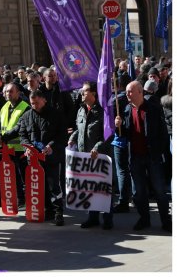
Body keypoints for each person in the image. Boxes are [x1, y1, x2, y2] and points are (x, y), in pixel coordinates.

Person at [115, 80, 171, 232]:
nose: (127, 94)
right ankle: (144, 219)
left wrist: (159, 152)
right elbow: (125, 134)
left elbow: (163, 134)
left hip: (152, 157)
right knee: (139, 192)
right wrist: (118, 127)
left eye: (130, 91)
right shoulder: (126, 110)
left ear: (140, 92)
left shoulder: (153, 109)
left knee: (159, 190)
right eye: (127, 91)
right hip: (135, 157)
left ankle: (166, 221)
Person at [68, 82, 114, 230]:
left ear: (94, 93)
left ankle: (107, 218)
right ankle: (92, 217)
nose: (82, 93)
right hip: (85, 156)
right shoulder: (80, 110)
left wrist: (97, 148)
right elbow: (79, 129)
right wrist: (73, 138)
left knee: (103, 188)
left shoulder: (103, 111)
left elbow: (107, 135)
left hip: (100, 156)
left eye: (85, 91)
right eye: (81, 90)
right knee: (90, 188)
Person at [16, 88, 65, 226]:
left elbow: (61, 135)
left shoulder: (56, 115)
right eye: (32, 103)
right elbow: (23, 134)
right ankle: (47, 209)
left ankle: (58, 212)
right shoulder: (27, 116)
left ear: (44, 100)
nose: (34, 106)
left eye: (37, 103)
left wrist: (51, 146)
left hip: (51, 157)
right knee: (39, 186)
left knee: (53, 185)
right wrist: (27, 147)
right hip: (34, 159)